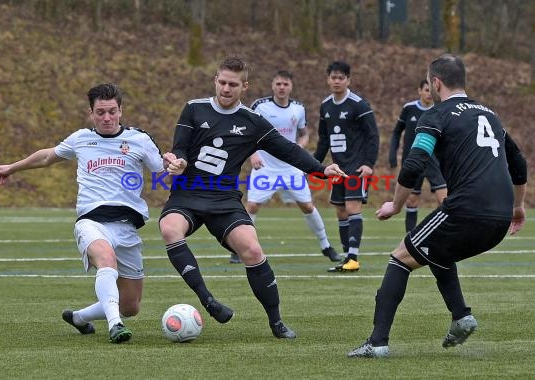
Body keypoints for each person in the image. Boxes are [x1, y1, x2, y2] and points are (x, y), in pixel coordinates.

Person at [347, 54, 528, 358]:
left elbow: (415, 162)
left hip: (466, 209)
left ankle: (377, 343)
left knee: (400, 257)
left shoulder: (436, 115)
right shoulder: (491, 115)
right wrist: (518, 207)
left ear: (436, 82)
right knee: (438, 252)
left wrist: (396, 204)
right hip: (499, 218)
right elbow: (519, 164)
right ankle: (461, 316)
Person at [159, 56, 346, 339]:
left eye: (233, 84)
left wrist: (321, 169)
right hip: (187, 193)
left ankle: (276, 322)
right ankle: (208, 300)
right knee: (169, 229)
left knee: (253, 250)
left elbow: (288, 150)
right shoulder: (193, 109)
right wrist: (179, 162)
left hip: (224, 200)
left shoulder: (253, 121)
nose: (225, 88)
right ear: (215, 80)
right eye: (222, 82)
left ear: (244, 86)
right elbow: (180, 148)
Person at [0, 83, 165, 344]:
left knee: (130, 306)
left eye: (111, 111)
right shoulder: (81, 139)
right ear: (91, 113)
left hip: (127, 226)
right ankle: (114, 325)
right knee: (106, 260)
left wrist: (176, 164)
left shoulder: (139, 140)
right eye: (100, 112)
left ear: (121, 110)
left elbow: (162, 170)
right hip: (92, 221)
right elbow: (47, 157)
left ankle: (79, 317)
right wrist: (12, 167)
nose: (106, 118)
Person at [235, 70, 341, 264]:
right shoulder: (260, 106)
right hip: (265, 167)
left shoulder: (298, 109)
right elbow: (246, 133)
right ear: (272, 85)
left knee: (308, 206)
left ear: (291, 86)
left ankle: (326, 245)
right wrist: (253, 154)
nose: (282, 87)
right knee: (251, 206)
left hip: (291, 168)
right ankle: (239, 247)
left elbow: (304, 133)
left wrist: (300, 146)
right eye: (278, 84)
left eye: (285, 84)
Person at [314, 61, 380, 272]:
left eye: (341, 77)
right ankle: (347, 258)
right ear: (328, 79)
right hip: (337, 168)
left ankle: (353, 258)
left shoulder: (358, 104)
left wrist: (369, 163)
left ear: (348, 80)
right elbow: (323, 139)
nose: (337, 81)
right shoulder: (325, 106)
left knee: (352, 208)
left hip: (356, 166)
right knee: (341, 211)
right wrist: (314, 165)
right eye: (333, 77)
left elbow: (373, 135)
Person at [389, 79, 448, 232]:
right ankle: (411, 236)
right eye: (426, 90)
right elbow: (396, 132)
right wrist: (392, 156)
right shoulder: (409, 109)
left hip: (434, 162)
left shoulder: (439, 110)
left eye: (431, 91)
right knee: (412, 200)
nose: (429, 94)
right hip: (414, 161)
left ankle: (443, 235)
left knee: (444, 200)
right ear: (419, 91)